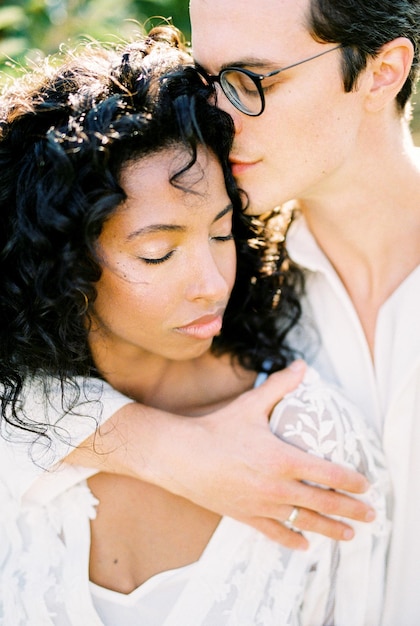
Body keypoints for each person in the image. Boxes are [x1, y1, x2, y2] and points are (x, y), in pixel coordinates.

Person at [0, 27, 389, 625]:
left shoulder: (310, 447)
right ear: (60, 264)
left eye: (220, 232)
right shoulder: (19, 413)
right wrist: (157, 447)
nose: (212, 283)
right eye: (158, 254)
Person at [188, 0, 420, 624]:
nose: (216, 118)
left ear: (382, 72)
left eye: (252, 81)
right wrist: (157, 447)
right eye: (205, 84)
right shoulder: (211, 281)